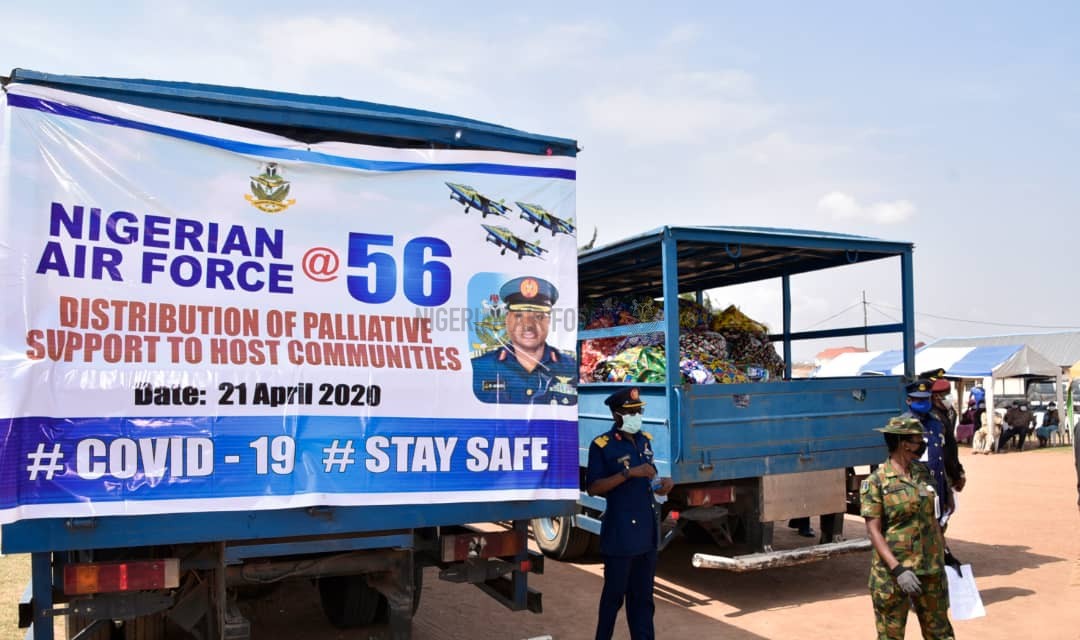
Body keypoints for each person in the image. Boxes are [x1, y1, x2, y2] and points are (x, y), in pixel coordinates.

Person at [587, 387, 673, 640]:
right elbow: (593, 487)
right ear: (617, 415)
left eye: (640, 410)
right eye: (632, 412)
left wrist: (663, 485)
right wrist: (627, 474)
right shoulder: (602, 445)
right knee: (613, 599)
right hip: (621, 535)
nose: (638, 415)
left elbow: (650, 480)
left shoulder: (645, 440)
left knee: (644, 600)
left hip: (646, 534)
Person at [861, 415, 955, 640]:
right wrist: (897, 569)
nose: (922, 445)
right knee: (891, 636)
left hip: (930, 570)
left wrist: (945, 551)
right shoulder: (877, 481)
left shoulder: (922, 474)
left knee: (941, 634)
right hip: (894, 575)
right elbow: (874, 530)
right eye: (917, 441)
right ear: (903, 443)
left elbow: (932, 518)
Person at [471, 276, 578, 405]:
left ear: (549, 320)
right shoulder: (480, 366)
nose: (528, 325)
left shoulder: (570, 366)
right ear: (507, 319)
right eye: (519, 316)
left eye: (538, 316)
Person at [903, 379, 955, 525]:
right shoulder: (903, 425)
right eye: (918, 399)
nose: (923, 402)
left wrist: (947, 491)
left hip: (936, 487)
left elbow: (939, 459)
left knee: (937, 528)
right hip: (914, 489)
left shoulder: (935, 423)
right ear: (908, 400)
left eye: (925, 398)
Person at [927, 377, 966, 517]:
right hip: (939, 472)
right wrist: (956, 475)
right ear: (936, 396)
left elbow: (951, 445)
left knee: (944, 513)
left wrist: (959, 471)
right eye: (946, 394)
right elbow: (944, 452)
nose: (950, 397)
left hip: (947, 471)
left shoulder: (949, 413)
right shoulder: (932, 418)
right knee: (941, 512)